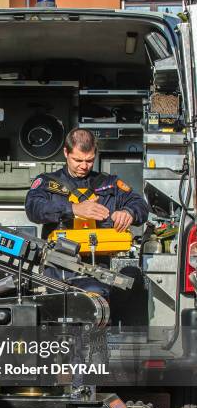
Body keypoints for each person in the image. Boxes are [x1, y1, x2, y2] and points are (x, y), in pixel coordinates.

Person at [25, 127, 149, 299]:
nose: (84, 166)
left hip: (97, 271)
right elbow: (33, 208)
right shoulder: (47, 182)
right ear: (66, 153)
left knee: (95, 305)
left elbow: (141, 205)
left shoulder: (110, 183)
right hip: (56, 270)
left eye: (89, 160)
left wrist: (129, 212)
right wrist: (73, 209)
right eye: (78, 160)